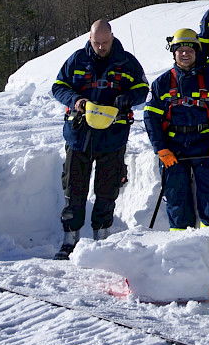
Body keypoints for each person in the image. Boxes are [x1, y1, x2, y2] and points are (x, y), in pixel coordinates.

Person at [50, 19, 148, 258]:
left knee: (107, 190)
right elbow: (58, 86)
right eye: (96, 43)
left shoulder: (127, 62)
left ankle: (100, 240)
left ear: (112, 37)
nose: (101, 47)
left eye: (105, 43)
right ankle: (69, 241)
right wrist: (76, 100)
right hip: (79, 135)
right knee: (74, 189)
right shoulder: (76, 59)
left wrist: (127, 98)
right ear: (90, 38)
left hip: (112, 136)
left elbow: (143, 89)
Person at [144, 29, 209, 231]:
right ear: (174, 52)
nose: (185, 54)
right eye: (180, 50)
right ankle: (180, 243)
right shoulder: (162, 83)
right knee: (176, 194)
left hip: (204, 145)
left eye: (189, 50)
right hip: (173, 146)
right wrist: (161, 149)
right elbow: (150, 118)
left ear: (197, 52)